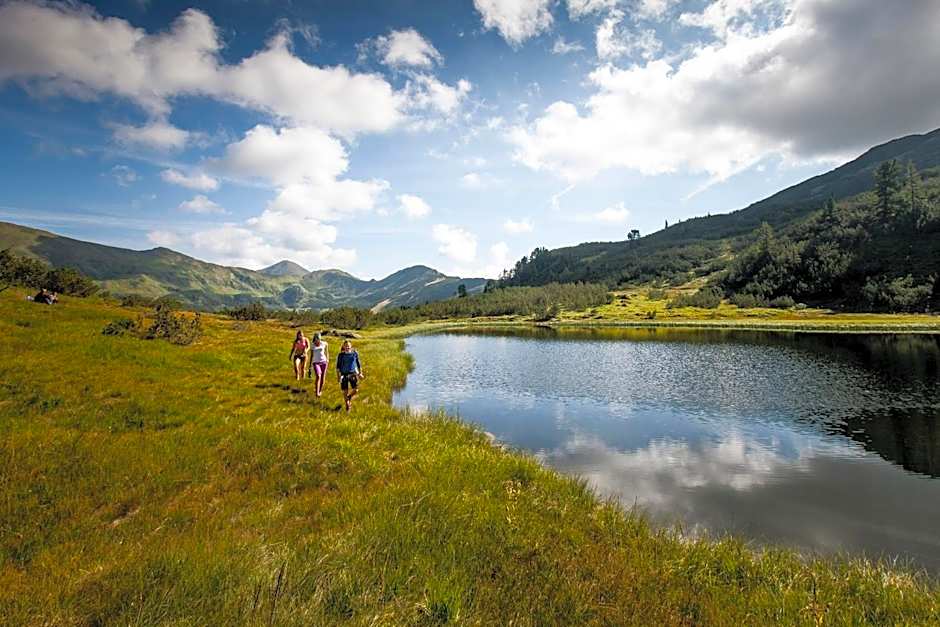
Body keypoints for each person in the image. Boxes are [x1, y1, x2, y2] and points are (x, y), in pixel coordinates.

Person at [336, 339, 364, 411]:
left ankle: (349, 397)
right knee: (345, 391)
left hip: (352, 374)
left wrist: (360, 373)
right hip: (344, 375)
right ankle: (347, 405)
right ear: (343, 347)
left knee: (356, 390)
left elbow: (358, 364)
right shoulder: (341, 355)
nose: (347, 347)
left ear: (351, 346)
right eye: (346, 346)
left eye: (348, 346)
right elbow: (338, 367)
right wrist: (338, 377)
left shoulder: (354, 353)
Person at [307, 332, 329, 397]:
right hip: (316, 362)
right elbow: (311, 355)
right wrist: (310, 366)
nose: (318, 340)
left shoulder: (324, 343)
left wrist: (327, 360)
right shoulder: (312, 345)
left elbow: (327, 352)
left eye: (319, 339)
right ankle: (317, 393)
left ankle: (320, 390)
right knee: (318, 376)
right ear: (314, 339)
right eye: (316, 339)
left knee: (322, 377)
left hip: (324, 362)